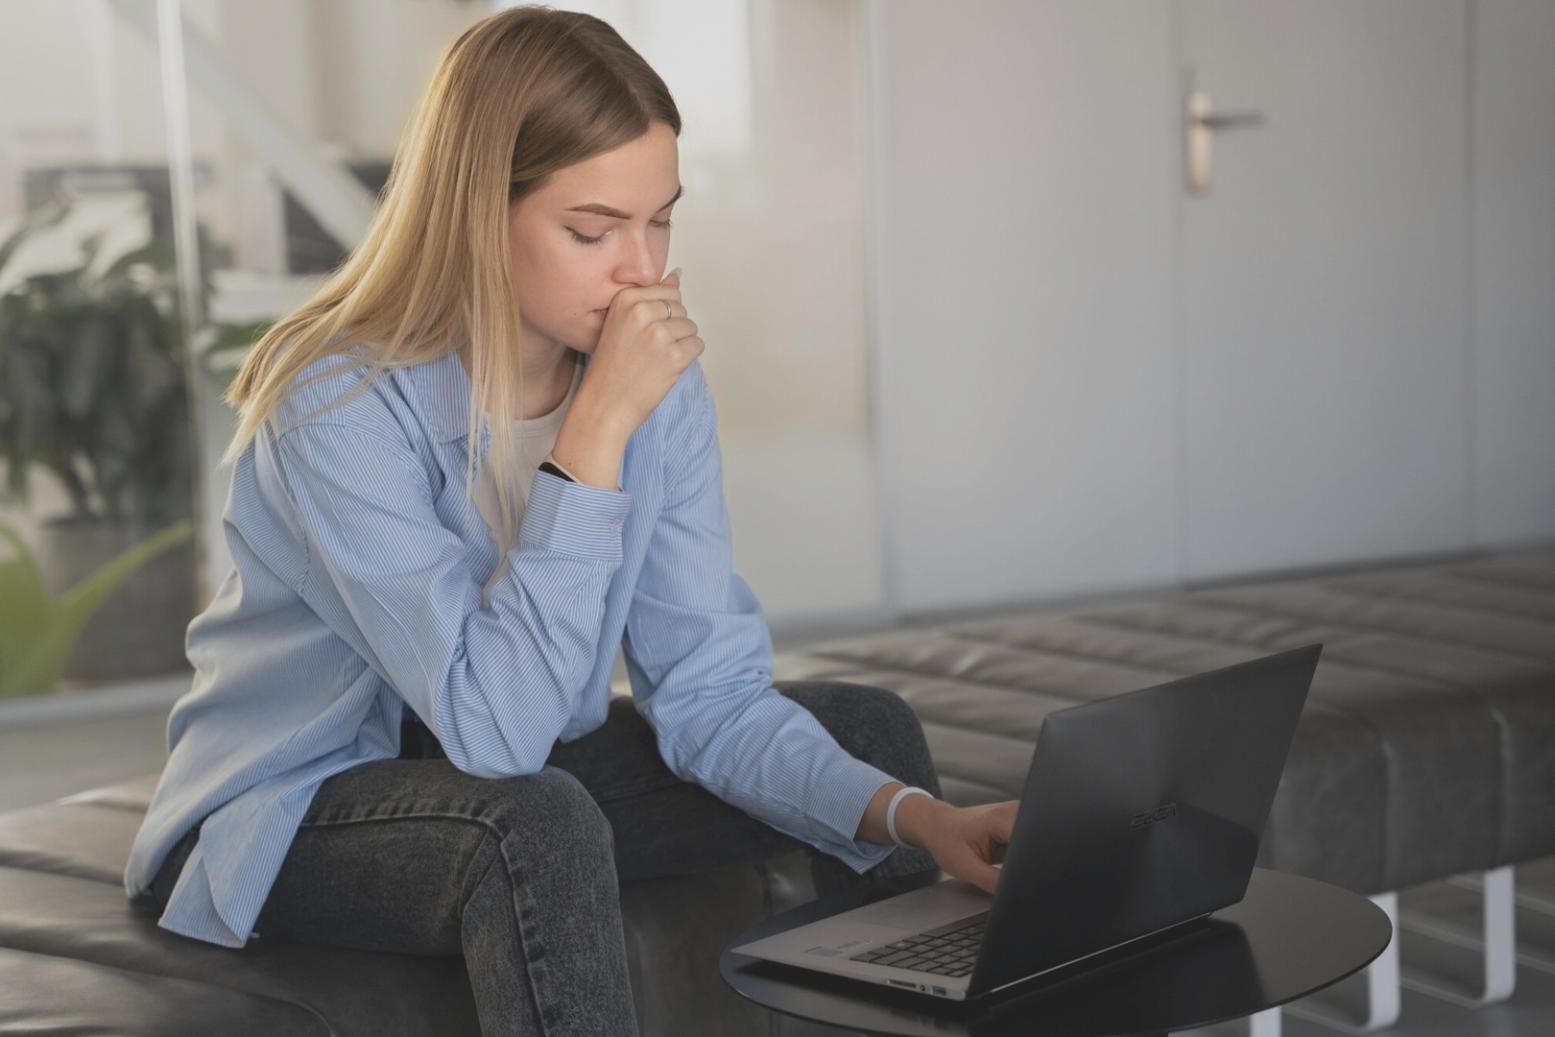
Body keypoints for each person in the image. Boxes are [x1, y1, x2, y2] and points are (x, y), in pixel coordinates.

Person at [123, 5, 1018, 1034]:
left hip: (497, 769)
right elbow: (498, 735)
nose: (641, 268)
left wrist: (922, 818)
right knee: (535, 819)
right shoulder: (336, 406)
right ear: (474, 214)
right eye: (592, 230)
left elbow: (712, 694)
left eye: (662, 219)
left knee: (868, 734)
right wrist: (592, 435)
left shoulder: (658, 387)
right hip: (293, 812)